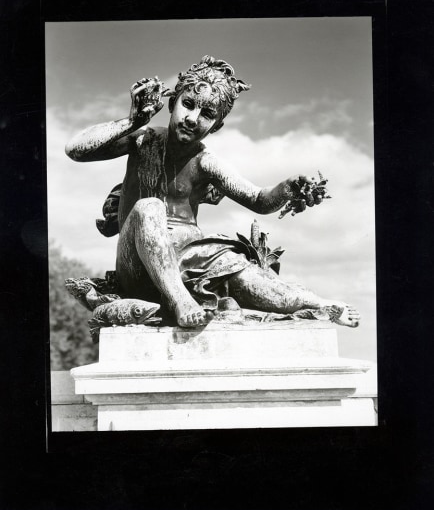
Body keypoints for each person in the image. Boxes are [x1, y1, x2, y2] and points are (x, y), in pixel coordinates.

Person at [65, 55, 360, 328]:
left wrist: (288, 188)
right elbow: (75, 150)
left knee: (262, 286)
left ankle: (323, 305)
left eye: (206, 114)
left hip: (194, 259)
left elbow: (259, 199)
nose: (193, 118)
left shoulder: (207, 162)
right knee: (148, 207)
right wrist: (133, 122)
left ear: (216, 126)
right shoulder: (143, 140)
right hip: (139, 265)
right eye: (189, 104)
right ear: (172, 103)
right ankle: (180, 302)